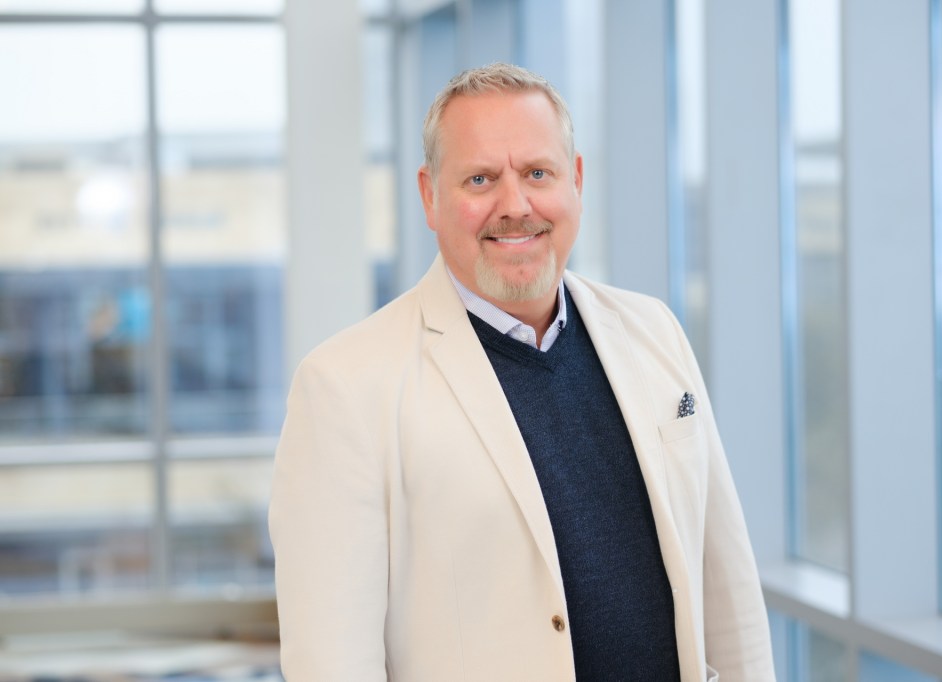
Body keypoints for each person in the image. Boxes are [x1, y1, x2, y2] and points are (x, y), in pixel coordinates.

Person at [269, 62, 774, 681]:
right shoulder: (344, 387)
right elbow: (332, 665)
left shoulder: (654, 332)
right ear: (430, 195)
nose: (515, 205)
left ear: (576, 180)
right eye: (480, 179)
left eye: (538, 173)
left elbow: (729, 592)